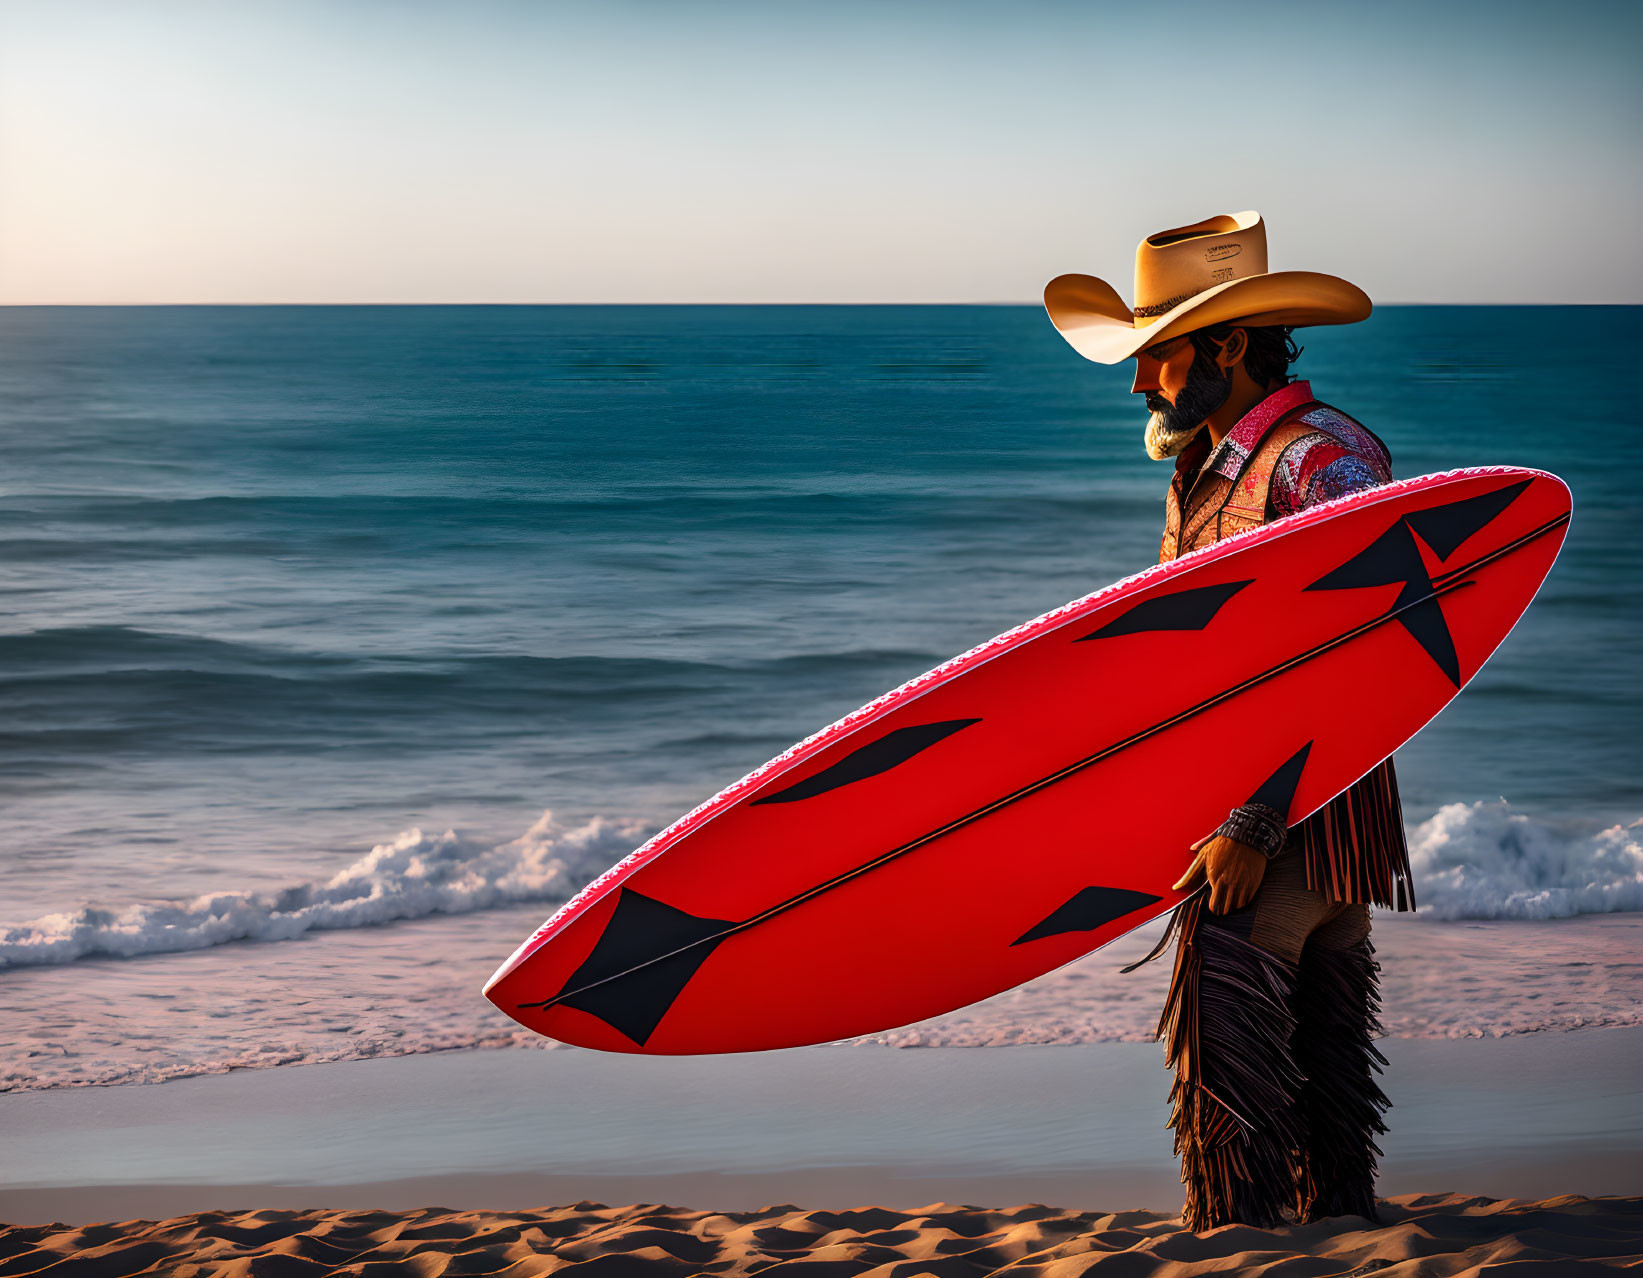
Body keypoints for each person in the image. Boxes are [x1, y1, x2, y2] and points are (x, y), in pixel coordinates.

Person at [1043, 212, 1417, 1230]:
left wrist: (1251, 824)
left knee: (1227, 1097)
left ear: (1224, 345)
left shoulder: (1315, 463)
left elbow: (1360, 657)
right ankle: (1336, 1237)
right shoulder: (1208, 469)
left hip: (1287, 827)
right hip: (1280, 820)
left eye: (1154, 356)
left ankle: (1245, 1248)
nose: (1137, 384)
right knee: (1327, 1098)